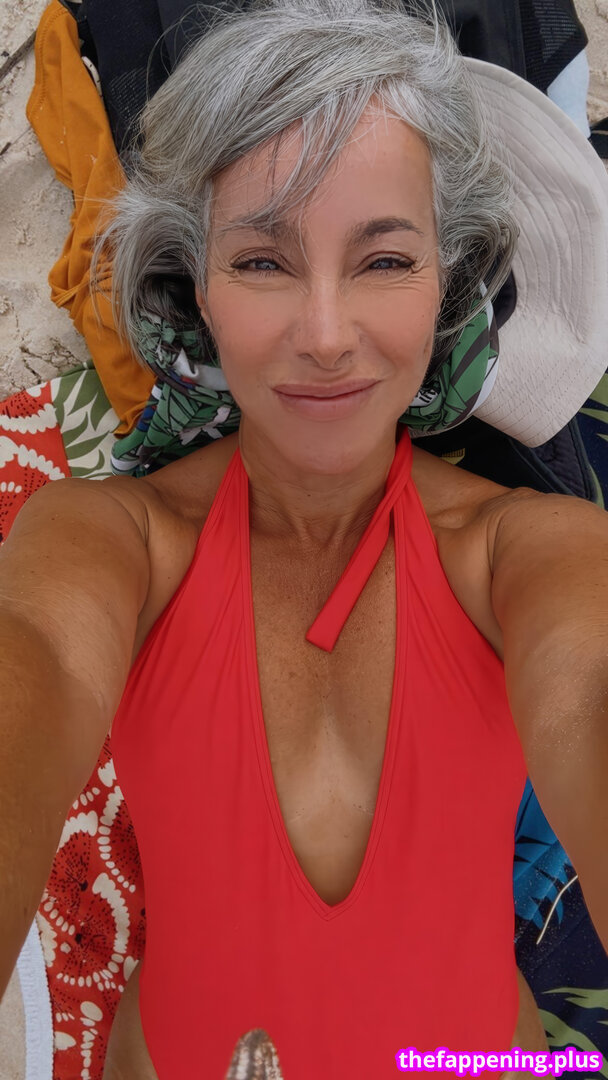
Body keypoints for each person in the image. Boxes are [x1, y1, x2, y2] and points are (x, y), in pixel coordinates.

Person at [1, 0, 607, 1077]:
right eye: (262, 263)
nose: (325, 336)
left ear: (448, 283)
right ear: (197, 287)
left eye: (383, 261)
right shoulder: (109, 540)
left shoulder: (534, 554)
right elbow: (29, 661)